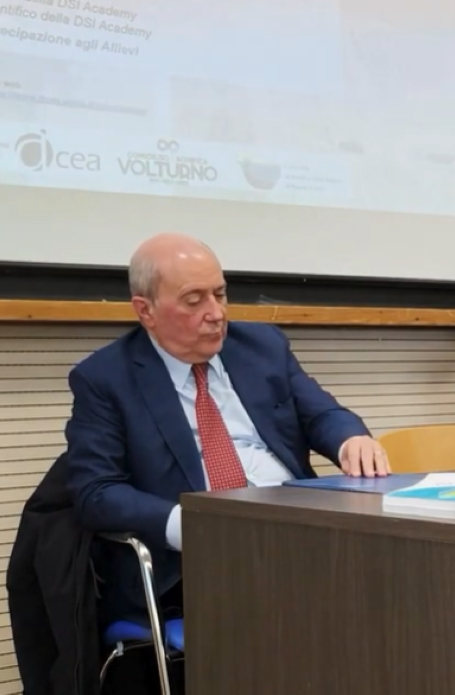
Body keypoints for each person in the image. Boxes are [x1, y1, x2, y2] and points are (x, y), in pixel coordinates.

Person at [65, 233, 390, 624]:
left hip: (296, 526)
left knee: (394, 568)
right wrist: (191, 524)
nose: (216, 313)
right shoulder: (106, 378)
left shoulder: (262, 346)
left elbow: (320, 414)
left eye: (220, 294)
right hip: (198, 560)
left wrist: (350, 440)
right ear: (145, 310)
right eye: (194, 300)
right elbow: (96, 491)